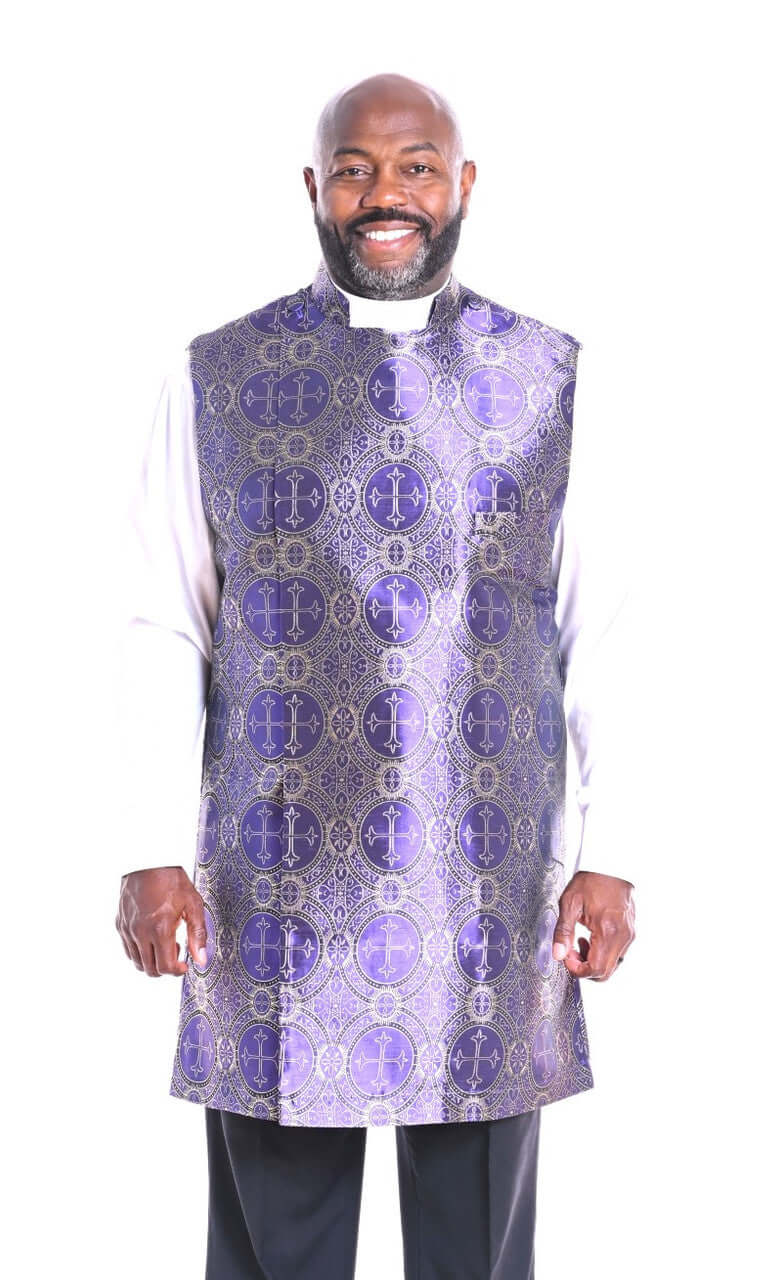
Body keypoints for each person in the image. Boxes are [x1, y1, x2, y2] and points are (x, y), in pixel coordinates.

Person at [115, 71, 636, 1280]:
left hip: (487, 871)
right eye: (354, 169)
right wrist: (147, 847)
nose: (383, 193)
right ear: (314, 187)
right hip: (273, 874)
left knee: (477, 1241)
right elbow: (163, 619)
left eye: (414, 167)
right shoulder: (219, 374)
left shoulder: (549, 376)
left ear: (463, 185)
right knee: (274, 1243)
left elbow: (605, 625)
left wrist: (615, 852)